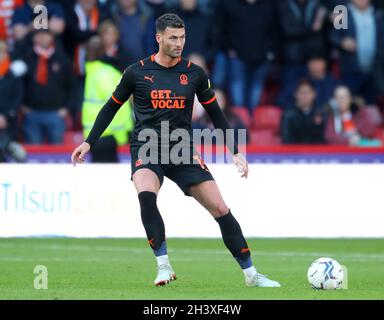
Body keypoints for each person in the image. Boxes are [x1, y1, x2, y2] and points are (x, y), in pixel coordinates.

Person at [71, 13, 280, 288]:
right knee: (146, 197)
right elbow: (111, 107)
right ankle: (163, 266)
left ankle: (251, 275)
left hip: (182, 148)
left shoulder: (195, 74)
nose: (179, 42)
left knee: (220, 208)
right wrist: (89, 142)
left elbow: (216, 114)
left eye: (182, 37)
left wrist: (235, 151)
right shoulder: (137, 72)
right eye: (173, 37)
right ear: (159, 38)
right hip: (147, 145)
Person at [82, 35, 133, 162]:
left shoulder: (91, 71)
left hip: (94, 133)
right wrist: (126, 132)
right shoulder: (106, 73)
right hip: (109, 134)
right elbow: (118, 104)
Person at [21, 29, 73, 144]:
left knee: (57, 154)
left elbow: (71, 85)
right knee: (33, 154)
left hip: (56, 113)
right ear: (34, 38)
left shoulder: (62, 59)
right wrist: (22, 106)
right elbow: (19, 85)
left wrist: (66, 108)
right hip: (31, 113)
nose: (43, 38)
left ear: (52, 37)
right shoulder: (26, 58)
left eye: (46, 35)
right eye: (39, 35)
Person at [281, 80, 325, 144]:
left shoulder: (320, 113)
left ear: (314, 94)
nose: (305, 96)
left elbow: (322, 137)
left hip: (316, 152)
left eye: (307, 93)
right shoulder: (288, 114)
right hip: (294, 152)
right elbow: (286, 138)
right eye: (302, 93)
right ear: (295, 94)